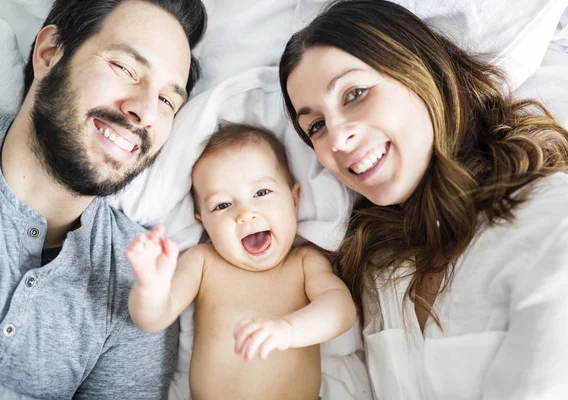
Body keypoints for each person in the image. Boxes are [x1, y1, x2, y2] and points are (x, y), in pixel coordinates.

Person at [278, 0, 568, 399]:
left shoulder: (561, 224)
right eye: (316, 126)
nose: (338, 139)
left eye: (355, 93)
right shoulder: (377, 268)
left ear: (420, 73)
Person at [0, 0, 206, 398]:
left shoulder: (139, 294)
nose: (144, 111)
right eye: (126, 69)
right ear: (49, 54)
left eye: (167, 101)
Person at [126, 123, 356, 400]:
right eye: (222, 205)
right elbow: (152, 320)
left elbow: (341, 312)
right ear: (203, 222)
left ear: (294, 200)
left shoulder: (305, 263)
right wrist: (150, 287)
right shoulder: (202, 262)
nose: (246, 214)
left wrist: (289, 331)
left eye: (262, 193)